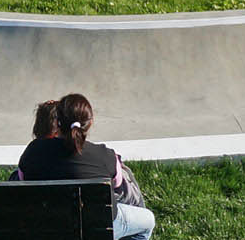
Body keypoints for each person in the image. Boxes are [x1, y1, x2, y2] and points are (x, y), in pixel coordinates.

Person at [16, 95, 155, 240]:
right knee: (147, 220)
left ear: (58, 123)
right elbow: (122, 191)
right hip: (97, 231)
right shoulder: (106, 156)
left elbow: (21, 182)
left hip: (47, 229)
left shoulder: (33, 152)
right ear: (90, 123)